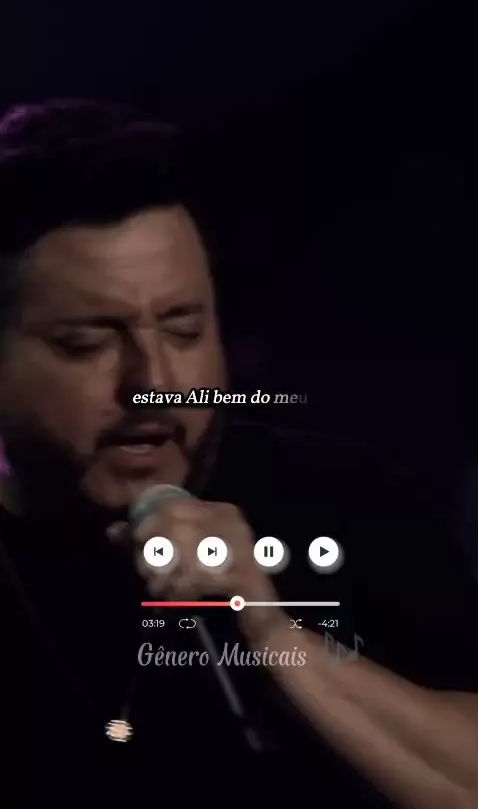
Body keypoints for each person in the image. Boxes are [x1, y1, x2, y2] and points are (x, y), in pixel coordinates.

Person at [0, 100, 477, 809]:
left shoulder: (342, 495)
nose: (156, 384)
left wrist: (271, 633)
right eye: (86, 344)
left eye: (184, 330)